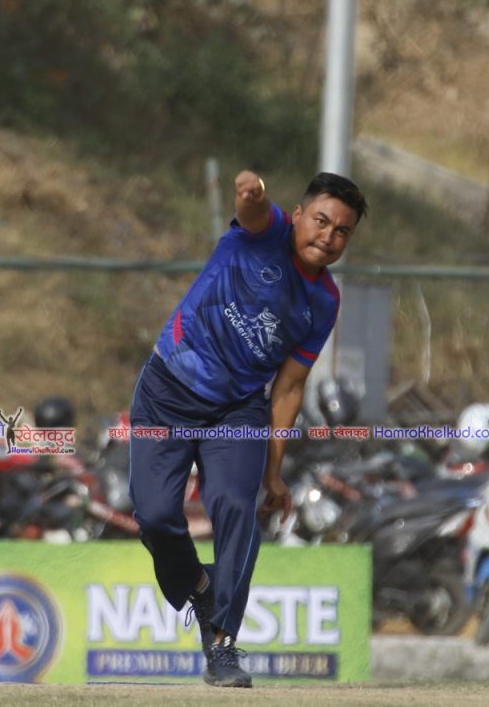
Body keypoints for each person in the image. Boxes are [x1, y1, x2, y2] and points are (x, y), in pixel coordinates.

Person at [128, 170, 367, 688]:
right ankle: (201, 587)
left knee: (236, 507)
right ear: (298, 216)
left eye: (342, 231)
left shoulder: (324, 301)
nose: (328, 236)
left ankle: (222, 646)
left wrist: (274, 473)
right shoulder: (266, 231)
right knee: (155, 516)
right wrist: (249, 192)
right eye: (321, 221)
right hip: (167, 392)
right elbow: (252, 208)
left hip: (237, 413)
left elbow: (290, 387)